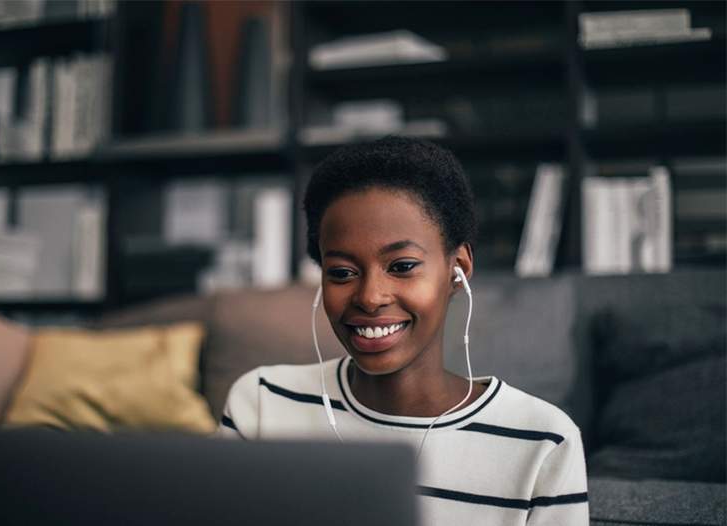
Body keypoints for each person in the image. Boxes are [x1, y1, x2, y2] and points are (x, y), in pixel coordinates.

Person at [218, 136, 589, 525]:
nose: (370, 297)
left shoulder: (543, 441)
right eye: (342, 272)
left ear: (457, 269)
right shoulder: (262, 402)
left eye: (402, 266)